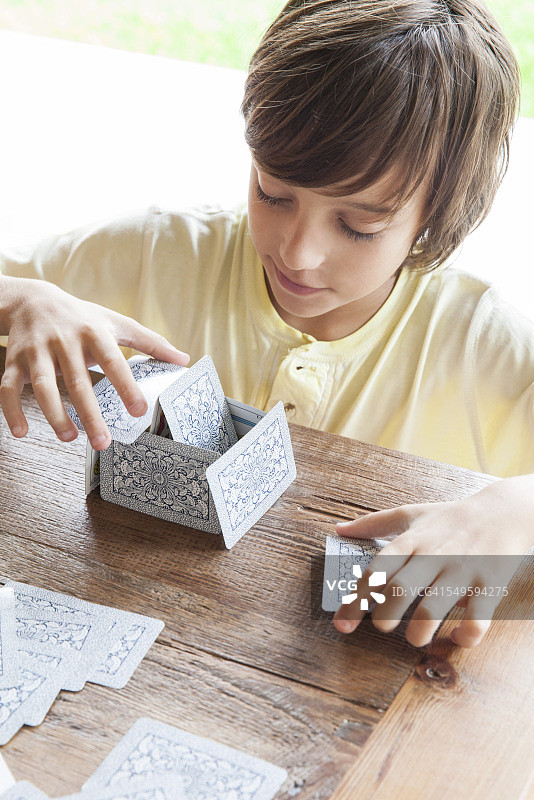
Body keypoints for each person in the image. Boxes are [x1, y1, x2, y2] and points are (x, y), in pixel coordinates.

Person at [0, 0, 532, 649]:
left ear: (437, 214)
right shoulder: (154, 254)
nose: (296, 252)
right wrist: (18, 296)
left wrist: (518, 509)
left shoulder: (485, 344)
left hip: (351, 683)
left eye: (359, 225)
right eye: (273, 193)